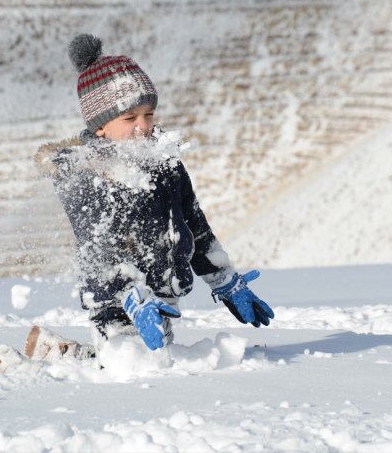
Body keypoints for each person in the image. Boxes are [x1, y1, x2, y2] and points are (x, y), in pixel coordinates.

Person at [34, 34, 274, 355]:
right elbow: (98, 248)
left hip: (161, 294)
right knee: (134, 367)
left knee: (156, 361)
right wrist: (131, 296)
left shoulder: (165, 164)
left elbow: (194, 224)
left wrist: (223, 279)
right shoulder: (89, 174)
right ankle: (58, 355)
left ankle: (63, 353)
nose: (143, 126)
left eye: (149, 115)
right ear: (100, 127)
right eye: (129, 118)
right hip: (118, 300)